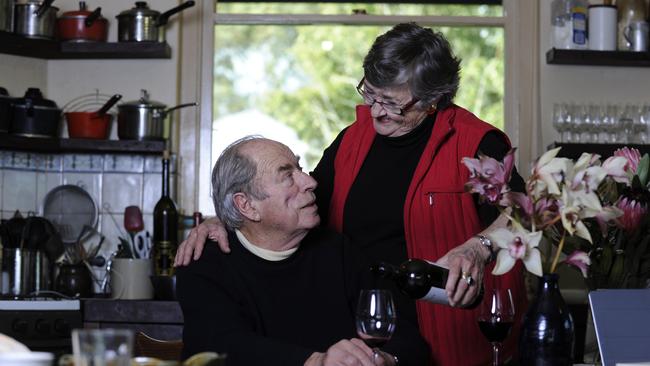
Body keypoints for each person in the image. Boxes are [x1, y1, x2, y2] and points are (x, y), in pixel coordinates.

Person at [176, 23, 527, 366]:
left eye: (391, 102)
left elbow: (527, 214)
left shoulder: (476, 143)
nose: (374, 110)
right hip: (368, 331)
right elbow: (289, 198)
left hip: (452, 332)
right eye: (369, 93)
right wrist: (221, 219)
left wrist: (478, 248)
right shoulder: (352, 140)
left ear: (433, 99)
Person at [177, 136, 430, 366]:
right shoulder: (205, 263)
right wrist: (316, 362)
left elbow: (406, 338)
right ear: (247, 205)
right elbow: (222, 346)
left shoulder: (338, 252)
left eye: (299, 168)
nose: (310, 182)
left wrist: (384, 359)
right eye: (288, 176)